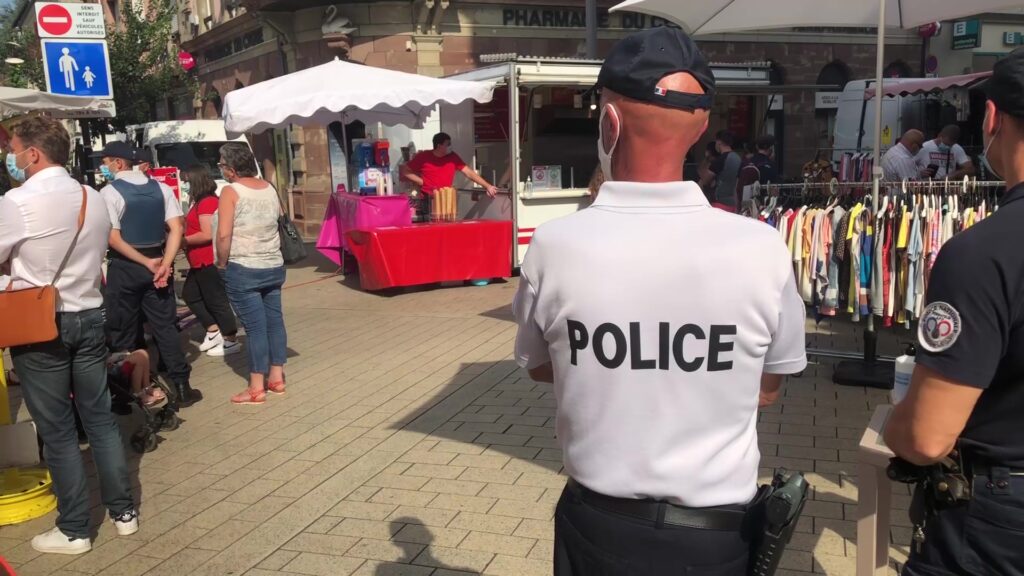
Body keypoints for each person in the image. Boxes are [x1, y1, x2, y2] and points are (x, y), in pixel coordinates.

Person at [513, 27, 808, 574]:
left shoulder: (554, 245)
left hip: (597, 526)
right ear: (699, 128)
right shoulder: (762, 247)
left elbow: (540, 368)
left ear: (609, 122)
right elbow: (767, 388)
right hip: (718, 538)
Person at [884, 47, 1024, 576]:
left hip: (999, 516)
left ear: (992, 119)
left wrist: (896, 425)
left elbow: (925, 436)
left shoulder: (982, 253)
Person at [0, 117, 137, 554]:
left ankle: (76, 528)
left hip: (41, 324)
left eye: (15, 149)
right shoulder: (92, 197)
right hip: (91, 316)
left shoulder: (16, 201)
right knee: (99, 419)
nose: (11, 158)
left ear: (33, 154)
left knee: (57, 430)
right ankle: (123, 513)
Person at [96, 141, 196, 408]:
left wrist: (147, 262)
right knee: (165, 327)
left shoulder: (109, 192)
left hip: (126, 266)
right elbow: (177, 228)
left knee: (124, 331)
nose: (102, 167)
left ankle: (126, 394)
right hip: (158, 263)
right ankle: (182, 385)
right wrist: (165, 262)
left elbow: (113, 238)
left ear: (118, 163)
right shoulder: (161, 189)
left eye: (105, 161)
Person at [215, 143, 288, 405]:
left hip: (243, 266)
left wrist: (221, 262)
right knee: (275, 321)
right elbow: (280, 218)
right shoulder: (269, 187)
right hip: (273, 264)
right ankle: (277, 377)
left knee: (255, 328)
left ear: (232, 169)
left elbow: (223, 234)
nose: (220, 169)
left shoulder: (230, 192)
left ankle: (256, 386)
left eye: (221, 164)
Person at [180, 165, 240, 357]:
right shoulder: (198, 202)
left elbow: (207, 234)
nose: (184, 185)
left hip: (207, 260)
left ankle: (230, 338)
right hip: (198, 261)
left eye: (187, 181)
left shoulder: (207, 202)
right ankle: (213, 330)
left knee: (216, 300)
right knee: (191, 295)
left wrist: (183, 240)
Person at [400, 132, 499, 199]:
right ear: (439, 146)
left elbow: (469, 172)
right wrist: (422, 182)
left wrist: (487, 186)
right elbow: (405, 171)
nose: (450, 146)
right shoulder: (424, 156)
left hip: (447, 198)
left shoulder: (453, 157)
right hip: (428, 198)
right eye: (448, 144)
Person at [701, 129, 742, 212]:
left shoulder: (719, 160)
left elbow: (705, 181)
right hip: (733, 203)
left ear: (719, 142)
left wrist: (706, 160)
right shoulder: (738, 158)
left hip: (719, 203)